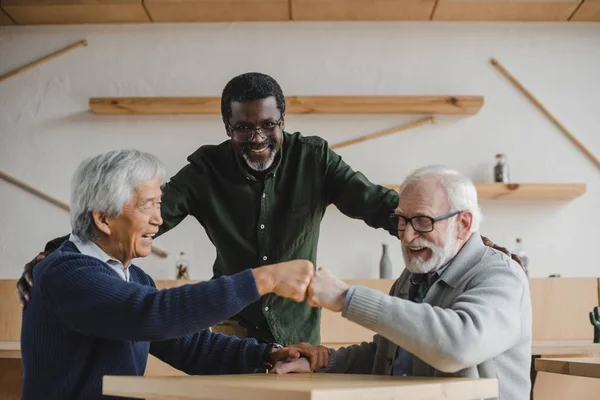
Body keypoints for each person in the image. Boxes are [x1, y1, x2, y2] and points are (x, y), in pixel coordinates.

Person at [16, 72, 518, 347]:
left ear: (283, 118)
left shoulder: (314, 157)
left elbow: (378, 204)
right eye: (242, 129)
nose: (257, 138)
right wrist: (61, 254)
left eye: (268, 125)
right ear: (226, 126)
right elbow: (134, 217)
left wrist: (457, 242)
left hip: (300, 325)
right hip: (231, 317)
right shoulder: (205, 170)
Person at [20, 149, 328, 400]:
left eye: (160, 204)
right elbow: (152, 314)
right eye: (148, 206)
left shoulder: (135, 279)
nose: (158, 219)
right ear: (103, 219)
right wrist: (264, 279)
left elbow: (191, 346)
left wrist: (269, 356)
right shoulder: (66, 274)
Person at [273, 166, 532, 400]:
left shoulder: (500, 274)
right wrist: (325, 361)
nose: (407, 236)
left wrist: (346, 297)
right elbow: (389, 354)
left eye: (422, 221)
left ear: (462, 224)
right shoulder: (413, 276)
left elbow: (459, 345)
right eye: (402, 220)